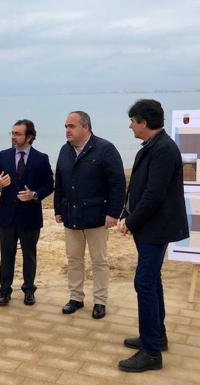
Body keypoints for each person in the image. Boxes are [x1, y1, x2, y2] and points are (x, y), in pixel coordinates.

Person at [117, 99, 189, 372]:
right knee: (152, 281)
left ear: (143, 123)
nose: (130, 126)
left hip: (155, 228)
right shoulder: (152, 146)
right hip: (149, 226)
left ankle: (151, 353)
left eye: (133, 121)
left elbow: (153, 195)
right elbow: (137, 186)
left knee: (144, 284)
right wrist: (127, 214)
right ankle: (156, 336)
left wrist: (131, 222)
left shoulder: (163, 150)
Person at [54, 111, 126, 319]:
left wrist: (113, 213)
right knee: (74, 259)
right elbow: (59, 182)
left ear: (85, 127)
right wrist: (58, 208)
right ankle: (76, 297)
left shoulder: (105, 149)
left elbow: (118, 184)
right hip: (71, 216)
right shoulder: (64, 151)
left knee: (99, 261)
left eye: (71, 126)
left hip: (97, 216)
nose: (67, 130)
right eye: (66, 126)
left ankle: (100, 301)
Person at [0, 119, 54, 306]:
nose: (13, 137)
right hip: (7, 216)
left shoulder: (41, 158)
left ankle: (29, 290)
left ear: (29, 137)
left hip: (30, 216)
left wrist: (35, 194)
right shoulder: (4, 155)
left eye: (17, 134)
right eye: (12, 133)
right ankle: (4, 291)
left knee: (29, 255)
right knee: (6, 255)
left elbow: (49, 184)